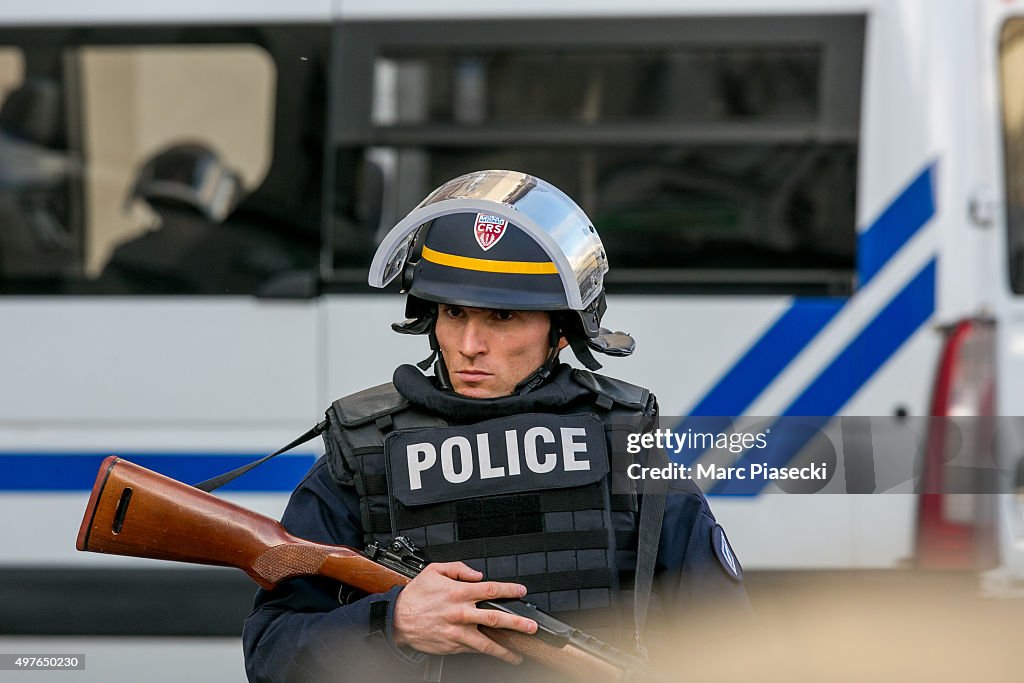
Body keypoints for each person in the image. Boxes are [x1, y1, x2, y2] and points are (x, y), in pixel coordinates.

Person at [242, 170, 750, 682]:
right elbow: (270, 655)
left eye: (503, 317)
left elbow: (736, 650)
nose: (469, 344)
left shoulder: (624, 446)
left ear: (562, 332)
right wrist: (391, 622)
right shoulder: (366, 451)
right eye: (454, 312)